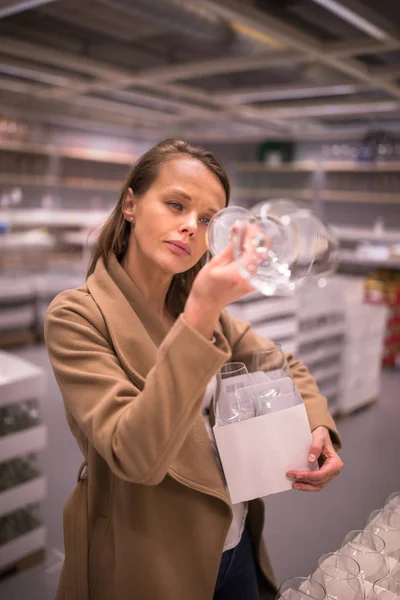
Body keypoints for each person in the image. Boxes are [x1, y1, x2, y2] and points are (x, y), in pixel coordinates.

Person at [45, 139, 343, 600]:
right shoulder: (78, 317)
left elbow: (283, 365)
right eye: (175, 204)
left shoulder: (191, 306)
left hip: (232, 540)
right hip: (149, 556)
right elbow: (135, 454)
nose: (190, 227)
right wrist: (202, 312)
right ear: (130, 204)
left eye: (207, 219)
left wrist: (318, 424)